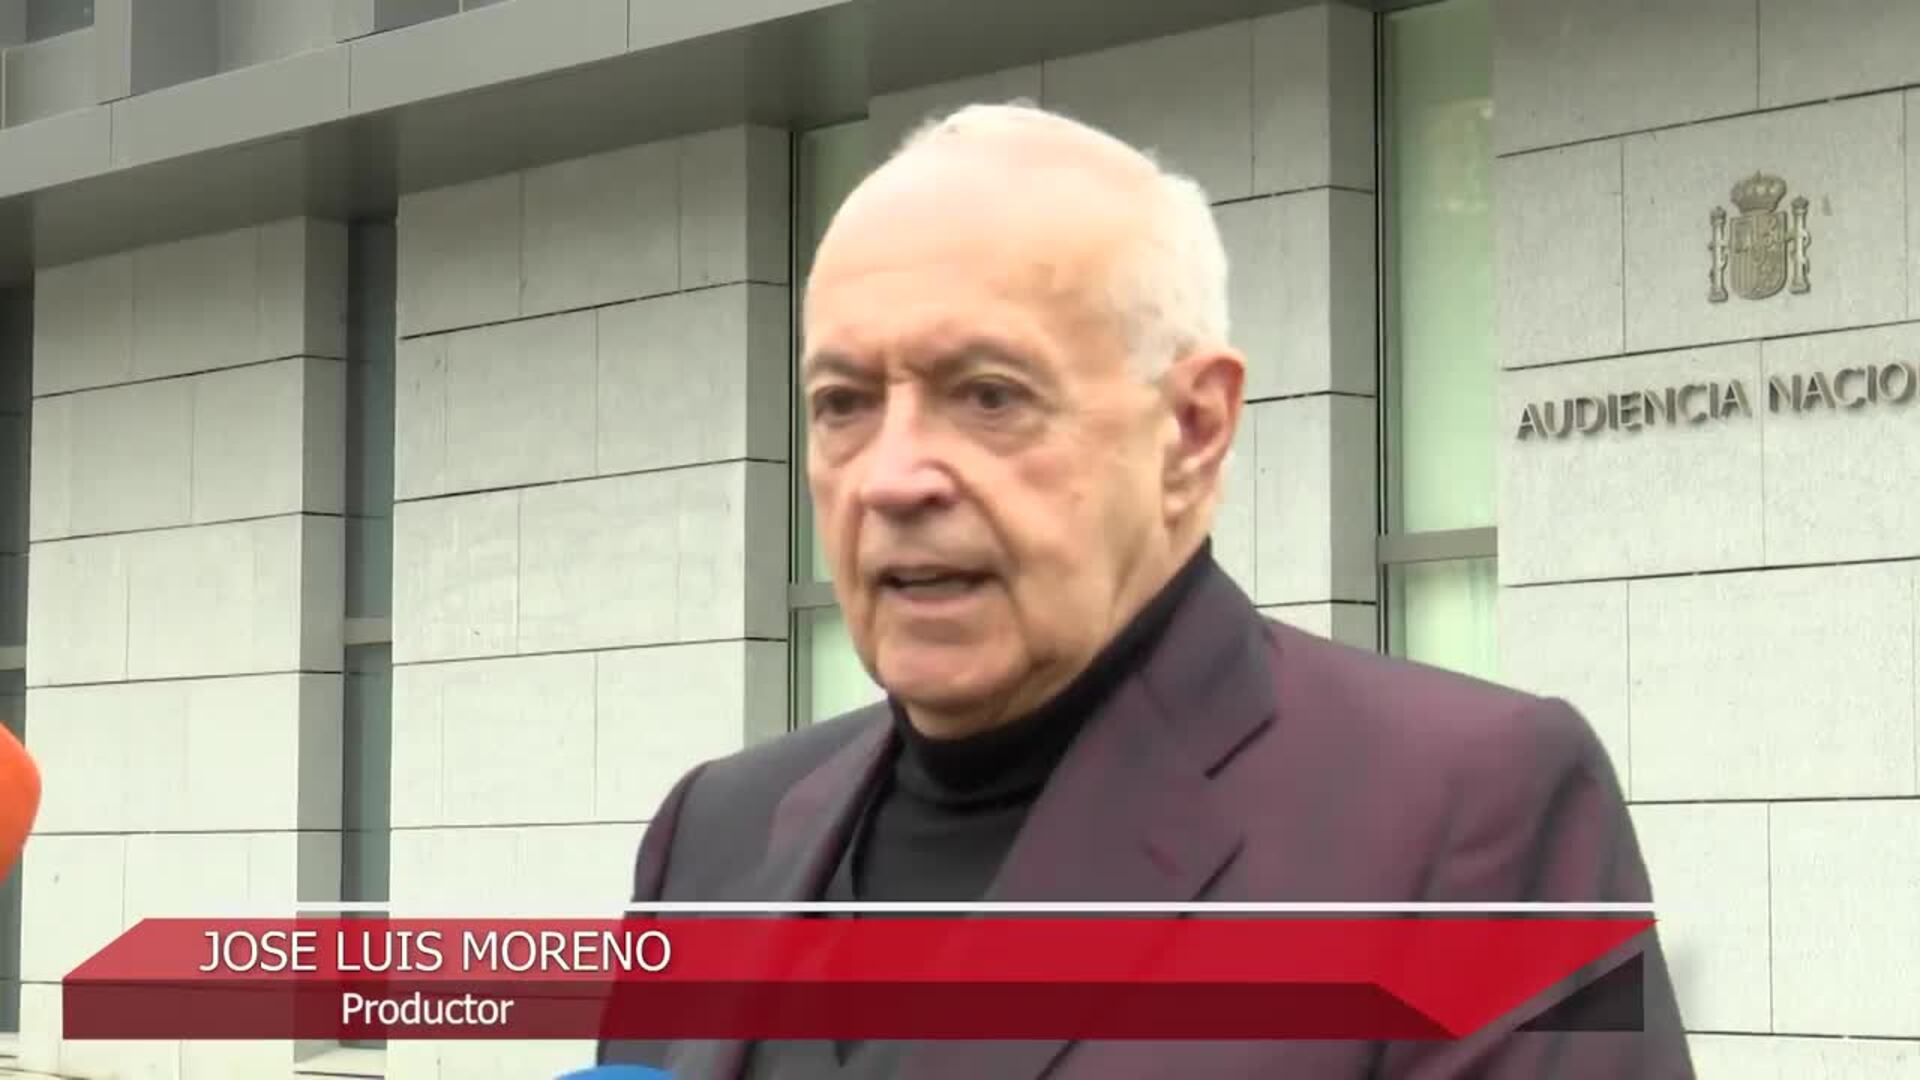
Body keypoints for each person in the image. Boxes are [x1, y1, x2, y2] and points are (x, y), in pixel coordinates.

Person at [597, 103, 1693, 1078]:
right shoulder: (714, 835)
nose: (893, 478)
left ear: (1193, 429)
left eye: (988, 396)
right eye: (844, 403)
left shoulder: (1465, 817)